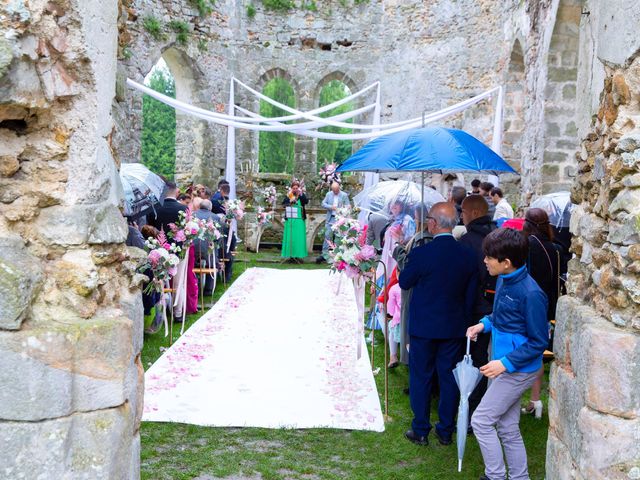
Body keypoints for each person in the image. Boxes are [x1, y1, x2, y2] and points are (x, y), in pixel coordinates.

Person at [467, 228, 548, 480]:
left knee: (480, 420)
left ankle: (495, 476)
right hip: (502, 365)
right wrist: (483, 324)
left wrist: (504, 364)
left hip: (518, 369)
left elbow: (538, 342)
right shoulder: (504, 278)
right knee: (507, 426)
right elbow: (501, 317)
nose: (484, 261)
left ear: (506, 262)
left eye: (489, 257)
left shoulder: (532, 294)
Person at [399, 202, 478, 447]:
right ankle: (445, 429)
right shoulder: (468, 254)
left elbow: (404, 281)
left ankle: (421, 428)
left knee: (421, 376)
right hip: (454, 326)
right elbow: (471, 294)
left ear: (433, 223)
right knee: (448, 377)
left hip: (424, 326)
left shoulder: (422, 253)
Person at [458, 194, 498, 423]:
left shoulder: (469, 240)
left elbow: (464, 276)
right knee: (482, 355)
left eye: (463, 212)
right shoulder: (496, 234)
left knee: (473, 357)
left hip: (475, 306)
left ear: (473, 213)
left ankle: (471, 406)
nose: (461, 217)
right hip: (493, 303)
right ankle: (480, 404)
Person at [520, 208, 560, 419]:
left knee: (521, 353)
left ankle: (518, 400)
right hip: (548, 307)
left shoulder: (528, 246)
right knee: (536, 353)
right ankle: (536, 401)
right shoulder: (555, 248)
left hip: (530, 306)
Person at [392, 203, 435, 366]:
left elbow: (409, 266)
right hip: (419, 290)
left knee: (410, 327)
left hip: (413, 290)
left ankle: (414, 364)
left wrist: (397, 246)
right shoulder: (419, 237)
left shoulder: (422, 239)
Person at [318, 181, 350, 263]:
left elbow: (348, 206)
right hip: (330, 218)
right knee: (327, 235)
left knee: (338, 237)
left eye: (336, 190)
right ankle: (324, 255)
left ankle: (338, 255)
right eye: (333, 190)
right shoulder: (329, 194)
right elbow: (323, 203)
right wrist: (331, 207)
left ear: (339, 188)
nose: (335, 191)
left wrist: (343, 209)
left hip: (340, 219)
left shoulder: (344, 195)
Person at [193, 199, 220, 297]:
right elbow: (218, 236)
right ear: (210, 208)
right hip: (208, 249)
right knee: (213, 256)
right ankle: (208, 289)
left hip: (194, 248)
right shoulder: (215, 217)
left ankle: (194, 285)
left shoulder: (192, 215)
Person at [281, 180, 309, 261]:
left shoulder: (301, 195)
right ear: (291, 188)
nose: (295, 189)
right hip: (290, 220)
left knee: (299, 238)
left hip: (299, 220)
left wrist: (301, 194)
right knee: (290, 238)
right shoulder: (289, 195)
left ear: (299, 188)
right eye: (294, 188)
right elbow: (283, 204)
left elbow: (306, 201)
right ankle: (290, 255)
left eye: (297, 188)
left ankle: (299, 256)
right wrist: (290, 201)